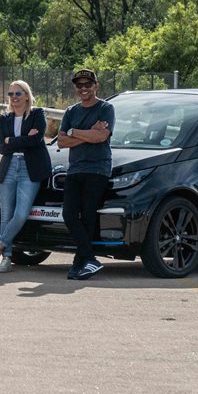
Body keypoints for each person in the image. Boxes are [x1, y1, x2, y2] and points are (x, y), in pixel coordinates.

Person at [0, 79, 52, 273]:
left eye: (18, 94)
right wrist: (22, 140)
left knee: (21, 213)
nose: (14, 98)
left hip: (29, 168)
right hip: (9, 167)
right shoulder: (5, 118)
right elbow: (2, 146)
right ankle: (7, 258)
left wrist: (13, 141)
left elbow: (36, 140)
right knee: (7, 214)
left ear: (26, 95)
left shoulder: (37, 114)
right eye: (10, 94)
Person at [57, 69, 114, 280]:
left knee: (88, 216)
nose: (83, 89)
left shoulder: (106, 109)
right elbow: (61, 142)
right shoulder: (71, 111)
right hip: (75, 168)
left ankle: (79, 263)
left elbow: (101, 137)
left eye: (87, 85)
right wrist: (88, 132)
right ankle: (89, 259)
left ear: (96, 86)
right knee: (69, 214)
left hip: (97, 169)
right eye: (79, 85)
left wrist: (74, 132)